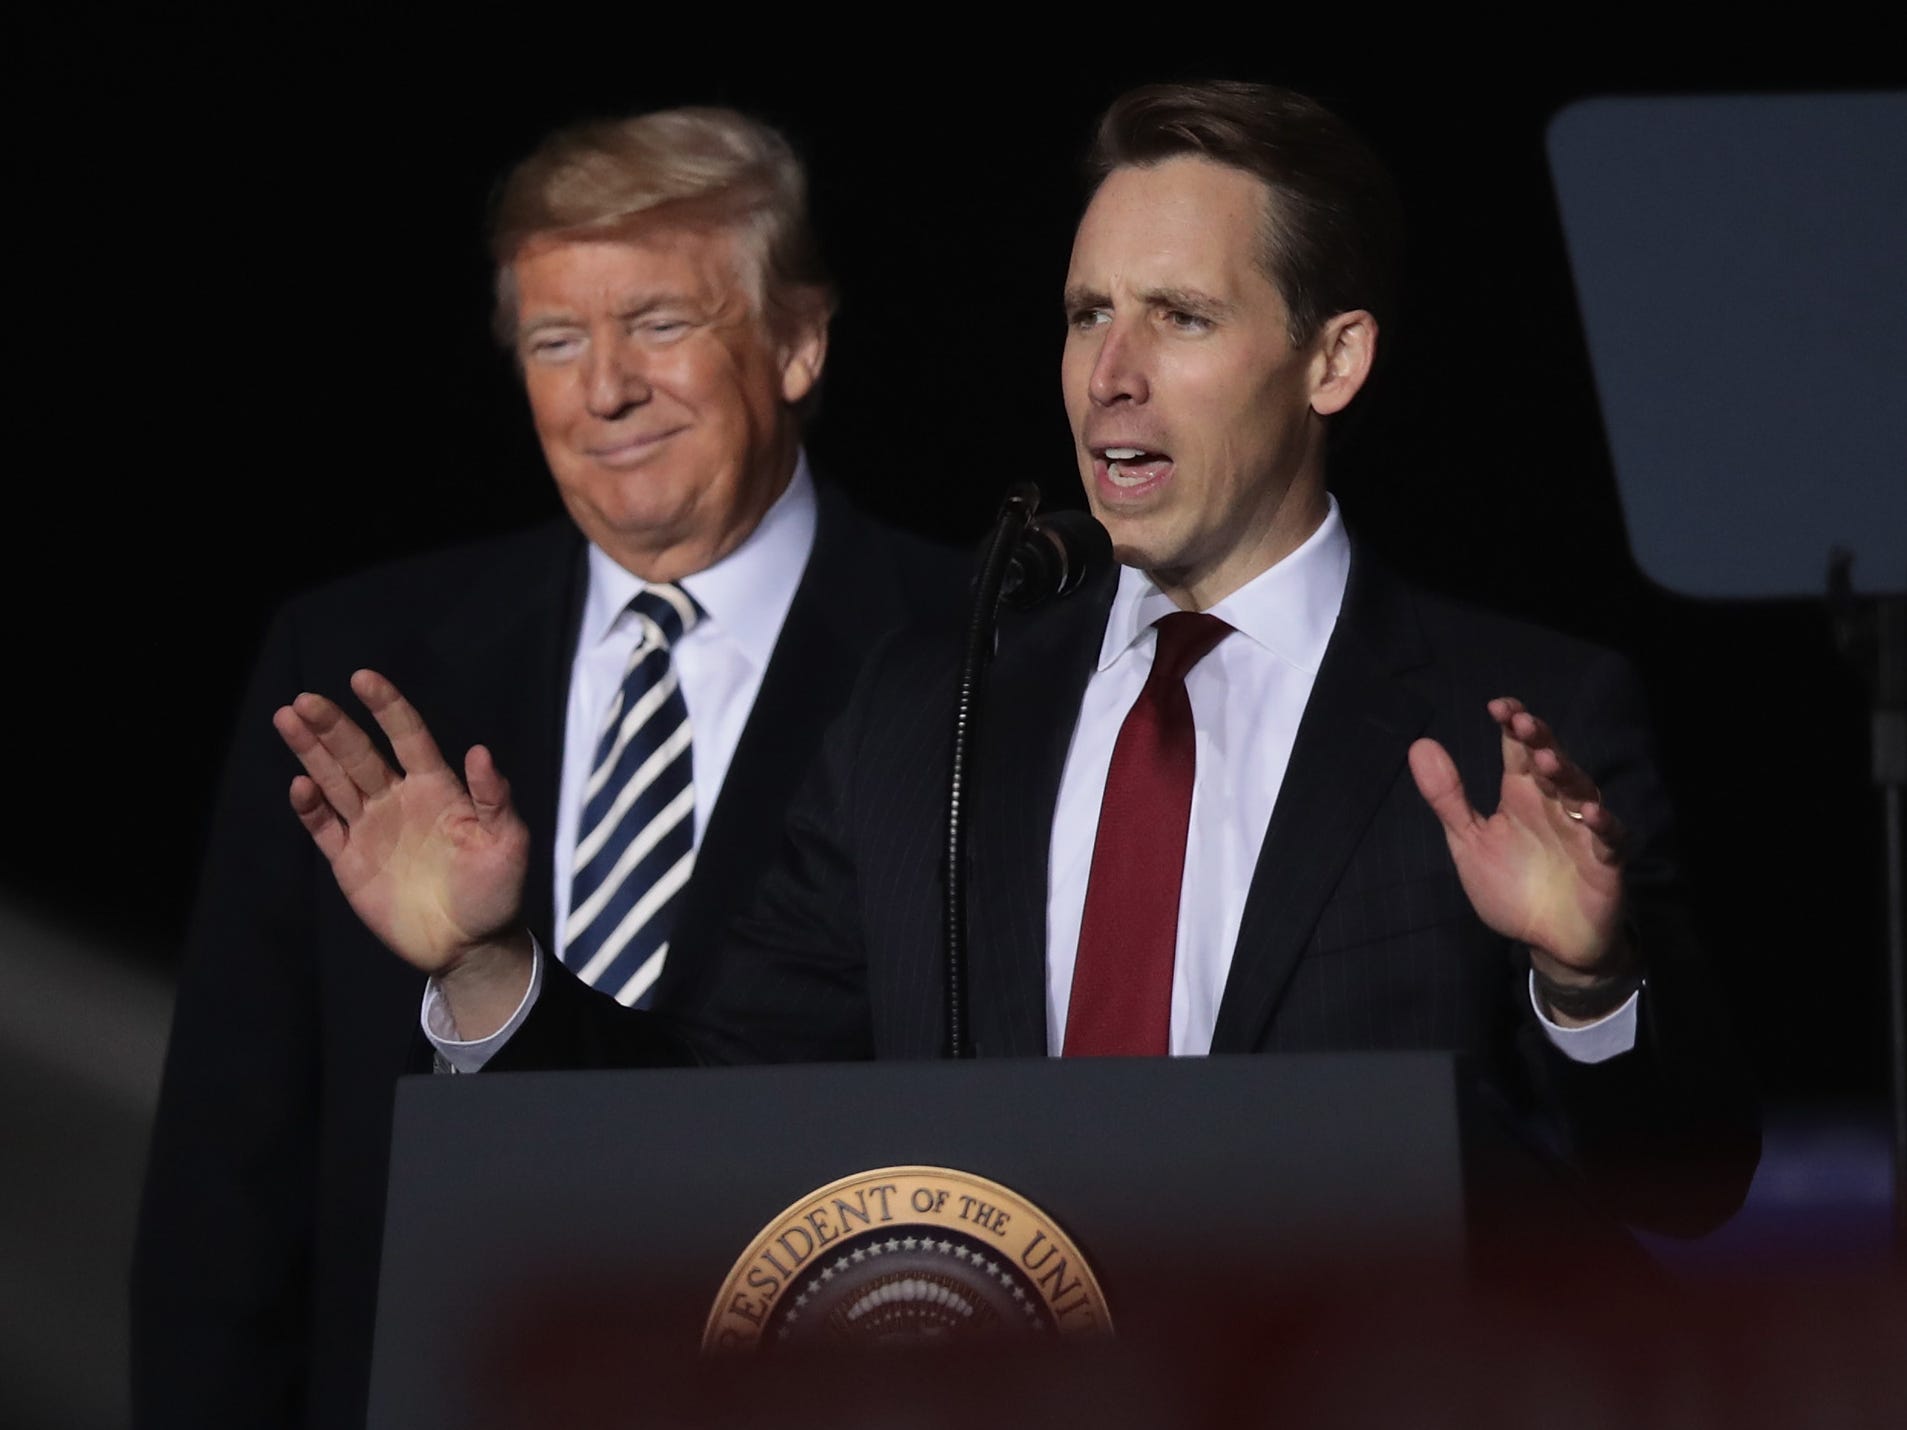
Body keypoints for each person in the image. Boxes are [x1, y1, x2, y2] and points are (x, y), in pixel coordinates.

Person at [271, 81, 1759, 1250]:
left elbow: (1682, 1188)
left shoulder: (1510, 720)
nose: (1110, 371)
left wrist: (1587, 975)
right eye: (1085, 314)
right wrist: (487, 966)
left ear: (1333, 360)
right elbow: (694, 1132)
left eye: (1180, 317)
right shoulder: (935, 710)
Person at [131, 106, 965, 1428]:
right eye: (557, 340)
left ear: (799, 339)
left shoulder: (987, 665)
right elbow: (227, 1188)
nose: (605, 388)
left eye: (660, 323)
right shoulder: (354, 662)